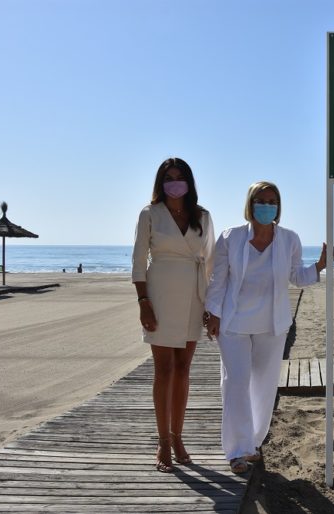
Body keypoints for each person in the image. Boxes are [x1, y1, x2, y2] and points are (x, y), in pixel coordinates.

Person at [205, 181, 332, 474]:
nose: (266, 205)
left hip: (272, 326)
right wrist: (212, 313)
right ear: (250, 204)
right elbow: (218, 280)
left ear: (279, 206)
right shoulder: (230, 237)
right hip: (233, 324)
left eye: (272, 200)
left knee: (264, 386)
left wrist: (319, 267)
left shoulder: (289, 239)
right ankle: (236, 450)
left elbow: (296, 277)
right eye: (261, 200)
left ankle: (252, 444)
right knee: (236, 383)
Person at [132, 157, 215, 473]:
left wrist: (210, 304)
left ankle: (178, 437)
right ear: (160, 182)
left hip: (194, 295)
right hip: (160, 293)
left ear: (189, 182)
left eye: (180, 177)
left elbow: (210, 262)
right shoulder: (150, 213)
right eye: (169, 177)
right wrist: (143, 301)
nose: (174, 182)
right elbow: (139, 259)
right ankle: (163, 440)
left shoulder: (202, 216)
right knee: (163, 369)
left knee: (183, 369)